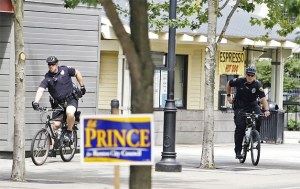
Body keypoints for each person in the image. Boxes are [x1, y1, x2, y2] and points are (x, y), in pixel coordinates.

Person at [32, 56, 86, 155]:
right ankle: (52, 149)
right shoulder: (47, 78)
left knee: (70, 112)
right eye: (49, 65)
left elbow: (77, 72)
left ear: (56, 64)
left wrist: (82, 86)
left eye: (53, 64)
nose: (51, 66)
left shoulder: (65, 70)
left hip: (71, 99)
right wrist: (35, 101)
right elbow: (40, 89)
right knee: (55, 126)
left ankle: (69, 131)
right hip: (59, 104)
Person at [226, 66, 270, 159]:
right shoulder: (239, 81)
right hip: (240, 106)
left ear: (254, 76)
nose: (250, 77)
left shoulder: (257, 85)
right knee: (240, 128)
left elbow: (263, 99)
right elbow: (228, 84)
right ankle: (238, 151)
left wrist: (266, 110)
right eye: (248, 75)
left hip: (252, 105)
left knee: (259, 116)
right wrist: (229, 96)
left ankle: (255, 135)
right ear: (246, 75)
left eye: (252, 75)